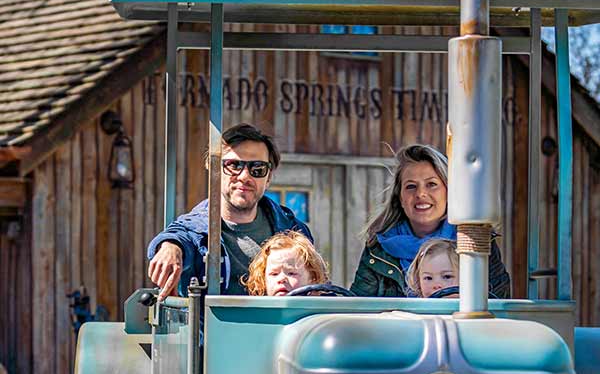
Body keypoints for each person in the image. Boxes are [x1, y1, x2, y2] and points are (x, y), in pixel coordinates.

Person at [147, 123, 312, 298]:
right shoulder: (195, 230)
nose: (244, 176)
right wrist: (170, 248)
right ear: (214, 170)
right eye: (234, 165)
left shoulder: (294, 230)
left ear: (269, 177)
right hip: (213, 326)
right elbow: (178, 235)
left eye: (257, 169)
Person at [350, 144, 510, 298]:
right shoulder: (378, 248)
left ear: (449, 192)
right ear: (400, 197)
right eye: (411, 186)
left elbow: (497, 304)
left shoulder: (475, 242)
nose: (421, 194)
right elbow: (357, 309)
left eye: (431, 184)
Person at [243, 231, 329, 296]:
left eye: (291, 273)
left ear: (313, 279)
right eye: (274, 274)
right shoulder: (257, 317)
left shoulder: (323, 315)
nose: (281, 279)